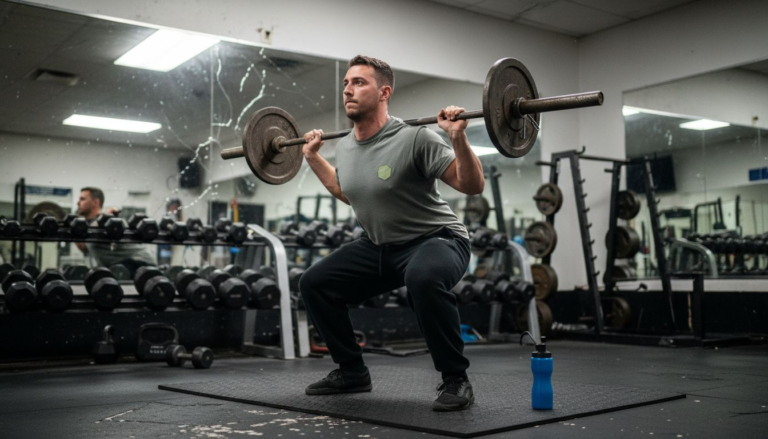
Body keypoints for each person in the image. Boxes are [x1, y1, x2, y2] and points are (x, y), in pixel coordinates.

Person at [299, 55, 485, 412]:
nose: (348, 90)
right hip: (380, 247)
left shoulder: (416, 137)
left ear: (384, 92)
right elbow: (345, 189)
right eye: (346, 83)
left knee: (423, 278)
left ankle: (455, 378)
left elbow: (470, 185)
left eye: (359, 83)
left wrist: (459, 138)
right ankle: (352, 371)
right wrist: (311, 157)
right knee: (315, 283)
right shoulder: (347, 146)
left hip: (437, 239)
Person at [75, 187, 155, 275]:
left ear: (95, 202)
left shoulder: (109, 221)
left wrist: (109, 213)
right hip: (120, 267)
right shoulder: (90, 226)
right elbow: (84, 247)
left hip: (140, 263)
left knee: (108, 276)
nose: (78, 202)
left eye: (82, 199)